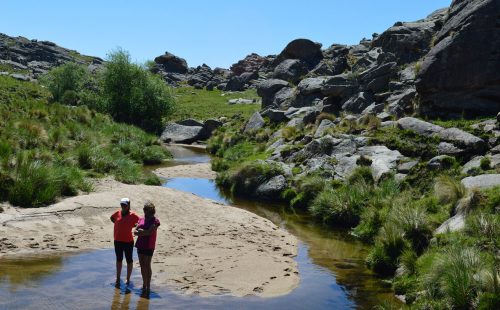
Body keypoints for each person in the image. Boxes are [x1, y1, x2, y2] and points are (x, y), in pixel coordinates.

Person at [110, 198, 140, 287]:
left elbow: (140, 222)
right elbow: (112, 218)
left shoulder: (133, 215)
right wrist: (118, 224)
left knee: (129, 260)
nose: (123, 206)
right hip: (117, 240)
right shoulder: (117, 213)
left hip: (128, 241)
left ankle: (128, 278)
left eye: (125, 205)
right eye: (122, 205)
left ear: (128, 205)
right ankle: (118, 278)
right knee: (119, 259)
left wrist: (136, 227)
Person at [134, 200, 160, 295]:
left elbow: (150, 232)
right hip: (140, 244)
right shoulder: (141, 219)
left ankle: (148, 285)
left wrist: (140, 232)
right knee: (142, 265)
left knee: (147, 265)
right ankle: (144, 284)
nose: (144, 211)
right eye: (144, 209)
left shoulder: (155, 221)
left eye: (145, 209)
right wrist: (138, 230)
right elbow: (135, 230)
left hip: (149, 245)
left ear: (150, 210)